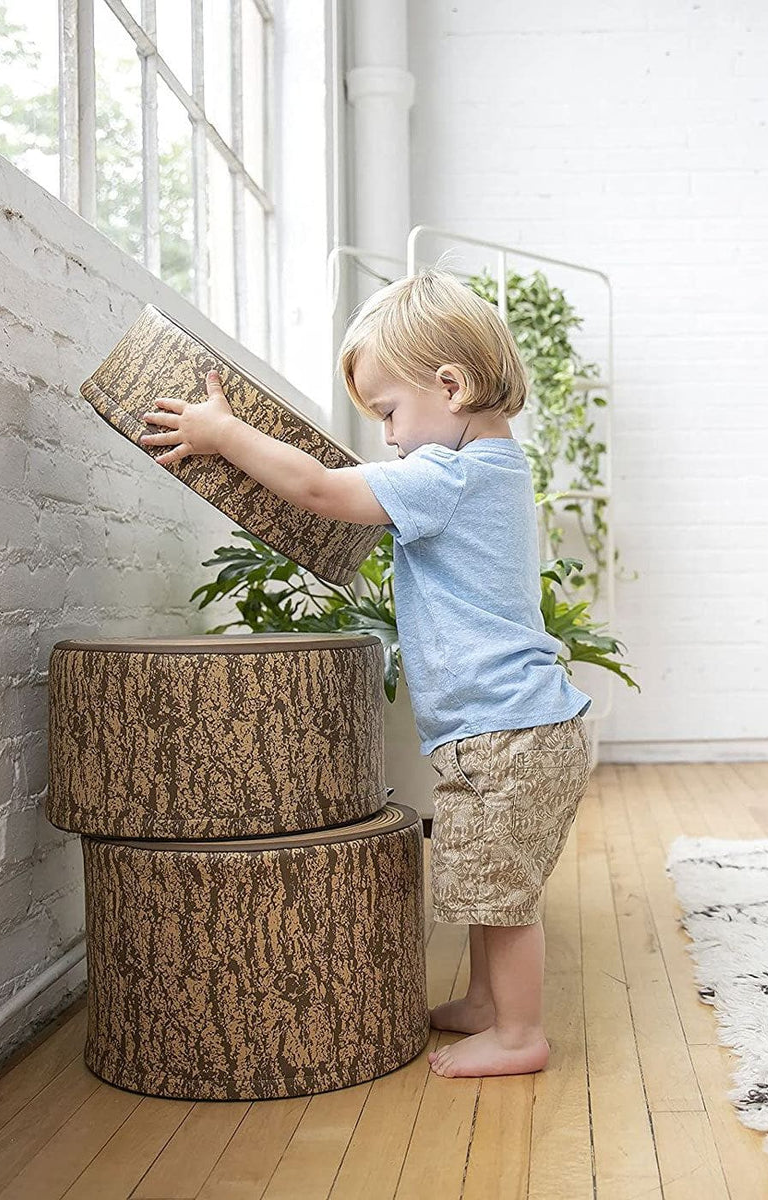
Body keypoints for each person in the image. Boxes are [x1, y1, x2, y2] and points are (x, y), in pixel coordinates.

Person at [140, 266, 594, 1079]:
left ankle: (520, 1034)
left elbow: (319, 490)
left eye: (388, 412)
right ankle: (487, 1005)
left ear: (450, 387)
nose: (386, 437)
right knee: (481, 877)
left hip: (507, 730)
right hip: (509, 725)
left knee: (501, 893)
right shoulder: (494, 468)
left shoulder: (449, 476)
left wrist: (224, 435)